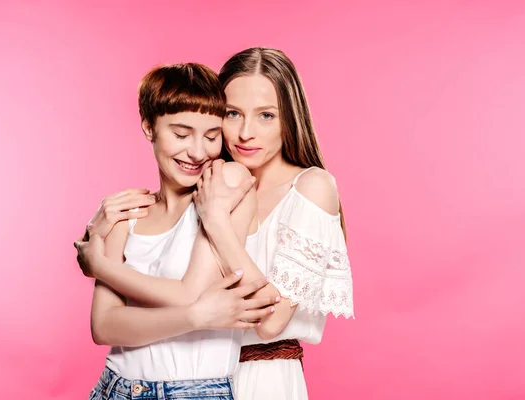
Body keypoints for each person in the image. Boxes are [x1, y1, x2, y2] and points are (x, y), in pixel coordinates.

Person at [78, 47, 354, 400]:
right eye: (233, 114)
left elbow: (270, 322)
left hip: (264, 376)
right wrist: (97, 233)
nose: (245, 133)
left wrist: (217, 224)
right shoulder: (209, 182)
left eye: (266, 115)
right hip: (196, 370)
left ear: (290, 118)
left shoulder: (310, 186)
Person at [76, 62, 278, 400]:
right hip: (115, 387)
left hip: (195, 391)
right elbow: (104, 326)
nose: (198, 152)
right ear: (149, 128)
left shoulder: (226, 183)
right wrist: (193, 316)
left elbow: (189, 294)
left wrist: (101, 267)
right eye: (181, 134)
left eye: (212, 136)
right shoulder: (128, 211)